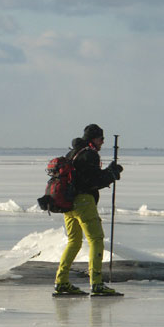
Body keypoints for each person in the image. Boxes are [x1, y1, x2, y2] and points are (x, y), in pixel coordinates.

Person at [55, 124, 124, 296]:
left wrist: (108, 173)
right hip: (83, 202)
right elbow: (92, 181)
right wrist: (111, 173)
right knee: (96, 240)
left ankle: (61, 281)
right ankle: (97, 283)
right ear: (94, 138)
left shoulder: (72, 153)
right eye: (101, 138)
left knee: (74, 241)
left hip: (68, 204)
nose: (103, 142)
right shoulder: (89, 154)